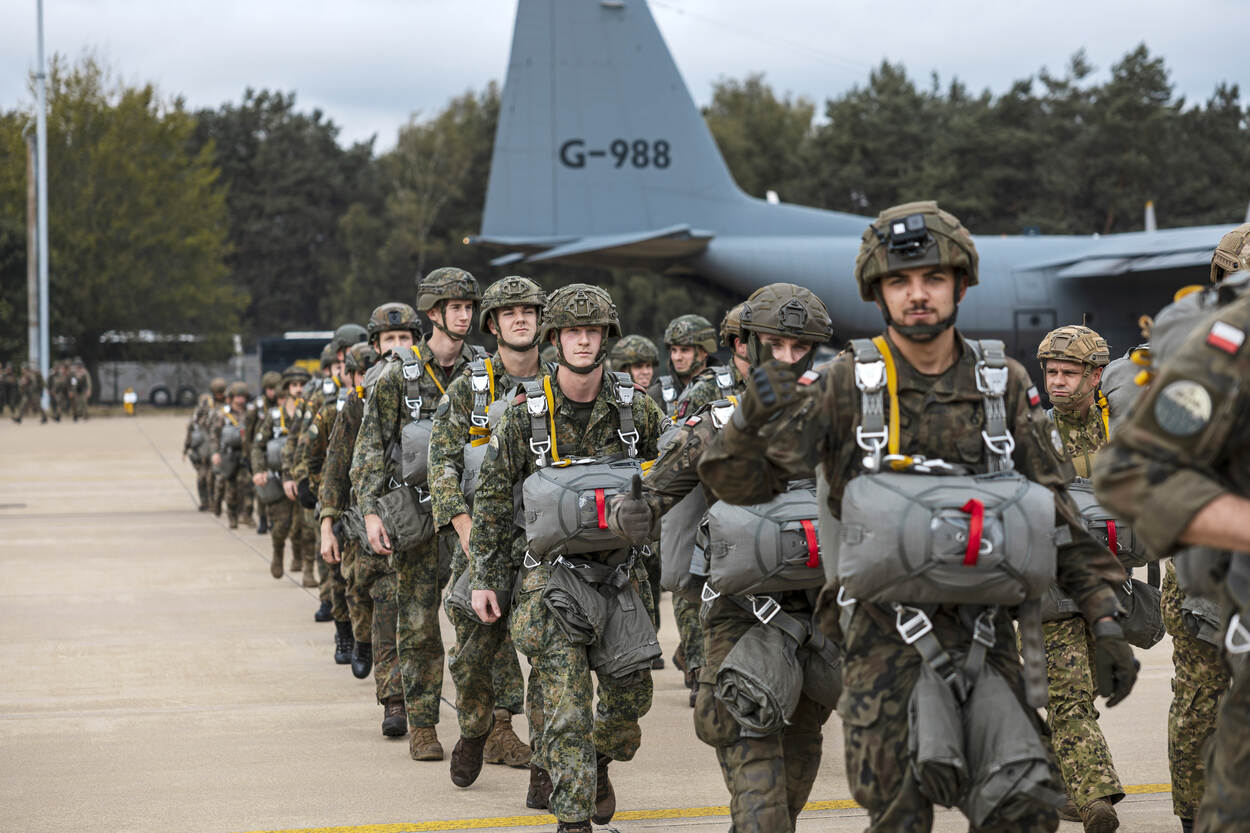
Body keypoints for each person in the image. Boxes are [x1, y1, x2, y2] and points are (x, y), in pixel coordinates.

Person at [696, 201, 1137, 833]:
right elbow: (740, 486)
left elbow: (1055, 508)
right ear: (878, 291)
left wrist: (1103, 613)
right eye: (900, 280)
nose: (918, 294)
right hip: (881, 647)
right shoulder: (843, 387)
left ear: (961, 286)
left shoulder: (1001, 384)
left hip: (982, 637)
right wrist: (748, 419)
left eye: (934, 277)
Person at [608, 284, 834, 833]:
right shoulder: (716, 423)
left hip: (820, 617)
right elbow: (654, 492)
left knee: (800, 755)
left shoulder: (842, 420)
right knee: (756, 778)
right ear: (749, 345)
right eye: (775, 345)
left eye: (799, 347)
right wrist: (631, 513)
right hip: (742, 615)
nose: (786, 358)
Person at [468, 283, 667, 833]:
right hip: (550, 581)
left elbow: (675, 470)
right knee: (566, 707)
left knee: (630, 702)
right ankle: (573, 820)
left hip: (620, 577)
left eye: (593, 331)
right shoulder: (522, 416)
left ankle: (595, 763)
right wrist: (485, 578)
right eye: (573, 331)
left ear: (606, 337)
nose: (583, 341)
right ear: (555, 338)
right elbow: (492, 501)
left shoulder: (636, 408)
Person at [1094, 227, 1250, 833]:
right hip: (1210, 570)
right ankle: (1195, 816)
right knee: (1202, 696)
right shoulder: (1208, 351)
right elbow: (1134, 470)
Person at [351, 268, 484, 762]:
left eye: (469, 307)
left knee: (478, 623)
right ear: (433, 314)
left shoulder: (484, 371)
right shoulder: (398, 376)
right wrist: (370, 514)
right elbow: (369, 449)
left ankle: (487, 726)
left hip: (469, 514)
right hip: (417, 516)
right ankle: (423, 724)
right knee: (418, 624)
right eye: (456, 307)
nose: (465, 315)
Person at [428, 276, 546, 794]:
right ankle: (476, 729)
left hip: (545, 547)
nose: (521, 319)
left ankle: (548, 768)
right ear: (493, 325)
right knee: (473, 658)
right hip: (484, 545)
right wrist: (463, 525)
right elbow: (441, 462)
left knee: (553, 658)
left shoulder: (563, 383)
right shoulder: (471, 387)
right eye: (509, 313)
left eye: (529, 311)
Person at [1034, 325, 1124, 832]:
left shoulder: (1121, 430)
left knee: (1080, 693)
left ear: (1096, 376)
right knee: (1068, 694)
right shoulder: (1030, 435)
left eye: (1069, 373)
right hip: (1051, 587)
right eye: (1052, 372)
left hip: (1110, 586)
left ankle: (1064, 785)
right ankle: (1096, 798)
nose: (1058, 381)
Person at [321, 304, 419, 737]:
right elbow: (337, 464)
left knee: (420, 621)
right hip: (377, 519)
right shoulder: (359, 402)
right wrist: (327, 521)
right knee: (380, 600)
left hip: (428, 518)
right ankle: (394, 698)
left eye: (404, 339)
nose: (397, 347)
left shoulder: (435, 390)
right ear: (375, 346)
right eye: (389, 340)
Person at [251, 365, 313, 581]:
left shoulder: (313, 412)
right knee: (281, 526)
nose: (299, 389)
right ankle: (278, 553)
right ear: (286, 388)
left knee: (307, 527)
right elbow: (258, 446)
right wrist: (259, 469)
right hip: (278, 478)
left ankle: (307, 568)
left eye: (302, 385)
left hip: (304, 477)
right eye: (294, 385)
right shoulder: (274, 415)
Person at [648, 314, 718, 416]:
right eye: (674, 350)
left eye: (685, 350)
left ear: (704, 351)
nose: (677, 357)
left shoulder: (723, 387)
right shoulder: (657, 395)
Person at [210, 382, 255, 529]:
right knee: (231, 487)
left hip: (246, 454)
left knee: (248, 485)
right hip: (229, 455)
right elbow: (215, 434)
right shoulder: (223, 414)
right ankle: (232, 517)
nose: (240, 400)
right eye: (237, 396)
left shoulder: (251, 413)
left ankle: (247, 515)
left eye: (243, 396)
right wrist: (215, 453)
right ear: (232, 397)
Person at [246, 371, 282, 535]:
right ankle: (262, 519)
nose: (273, 392)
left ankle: (275, 519)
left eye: (275, 388)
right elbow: (249, 430)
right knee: (261, 486)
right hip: (261, 449)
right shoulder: (258, 406)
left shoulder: (283, 403)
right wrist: (248, 455)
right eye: (270, 389)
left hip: (277, 450)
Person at [184, 378, 226, 510]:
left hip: (220, 444)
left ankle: (214, 502)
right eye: (217, 392)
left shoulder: (228, 404)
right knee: (202, 477)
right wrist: (186, 447)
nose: (220, 395)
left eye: (221, 392)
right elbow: (193, 424)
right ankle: (204, 502)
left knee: (214, 477)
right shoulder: (206, 405)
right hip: (204, 445)